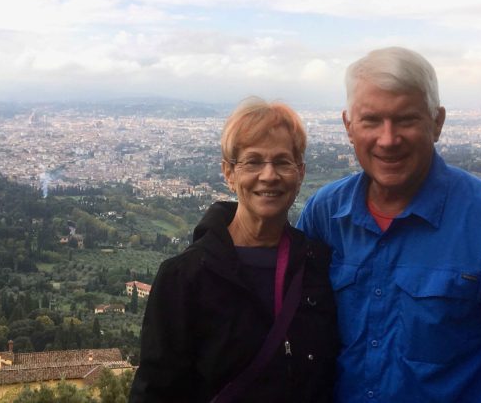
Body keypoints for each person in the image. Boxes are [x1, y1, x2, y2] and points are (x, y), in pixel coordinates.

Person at [297, 46, 481, 402]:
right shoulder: (325, 215)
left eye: (406, 119)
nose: (388, 140)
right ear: (348, 126)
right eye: (371, 120)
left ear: (437, 123)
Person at [130, 97, 339, 402]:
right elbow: (156, 393)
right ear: (229, 173)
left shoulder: (317, 266)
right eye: (253, 161)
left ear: (300, 172)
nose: (269, 175)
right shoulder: (184, 277)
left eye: (282, 161)